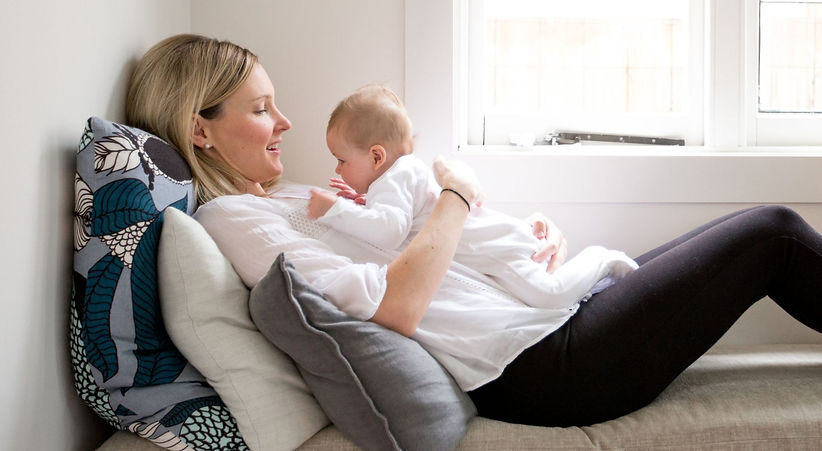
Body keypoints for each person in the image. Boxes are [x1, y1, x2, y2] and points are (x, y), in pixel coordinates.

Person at [126, 34, 822, 428]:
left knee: (750, 230)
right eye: (261, 108)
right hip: (543, 368)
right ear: (200, 130)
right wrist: (456, 194)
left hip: (539, 329)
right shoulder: (231, 218)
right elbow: (395, 306)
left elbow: (416, 251)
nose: (283, 123)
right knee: (773, 234)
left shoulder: (291, 199)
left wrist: (515, 243)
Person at [306, 84, 637, 309]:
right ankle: (599, 281)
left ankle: (602, 258)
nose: (337, 170)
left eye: (342, 160)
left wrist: (334, 209)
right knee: (540, 299)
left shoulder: (399, 175)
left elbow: (390, 230)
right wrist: (363, 202)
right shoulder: (399, 177)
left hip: (498, 248)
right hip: (491, 252)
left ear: (377, 157)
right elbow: (400, 218)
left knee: (548, 296)